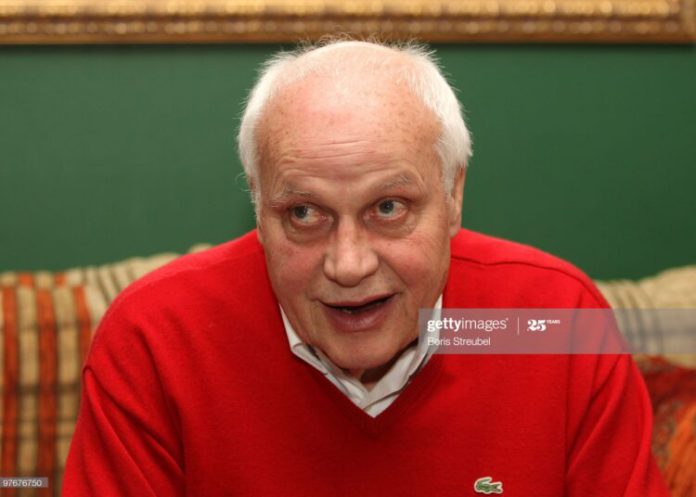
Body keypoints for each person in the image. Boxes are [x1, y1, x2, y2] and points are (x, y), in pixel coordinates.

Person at [63, 39, 669, 496]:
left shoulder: (551, 320)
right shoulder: (156, 338)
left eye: (388, 207)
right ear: (257, 202)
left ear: (453, 195)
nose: (348, 265)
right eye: (304, 213)